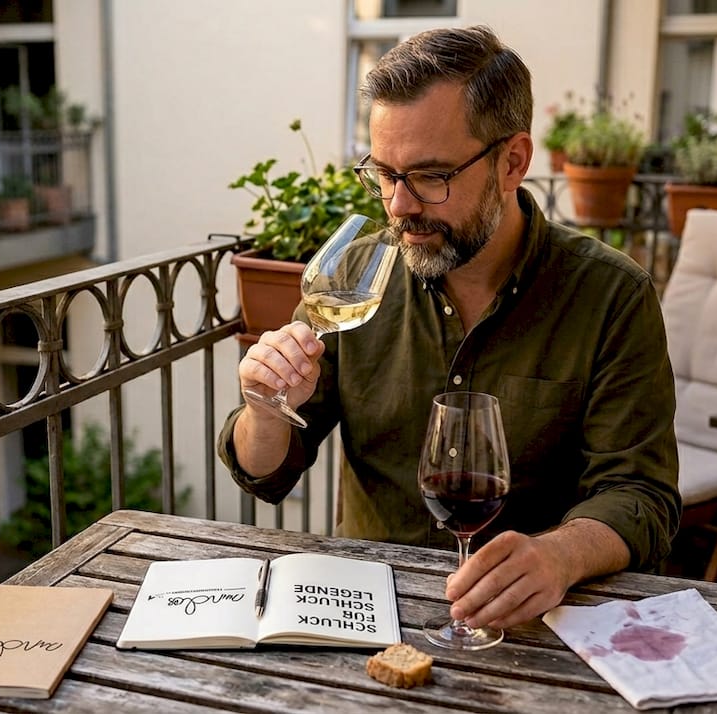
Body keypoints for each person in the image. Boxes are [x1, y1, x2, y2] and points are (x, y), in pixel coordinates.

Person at [218, 25, 679, 630]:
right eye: (384, 174)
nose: (399, 205)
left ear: (513, 161)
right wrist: (266, 411)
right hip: (364, 617)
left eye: (431, 176)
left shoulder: (611, 296)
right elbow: (268, 472)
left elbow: (640, 494)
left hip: (531, 625)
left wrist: (559, 554)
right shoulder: (354, 279)